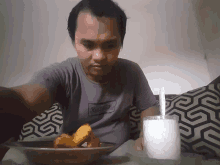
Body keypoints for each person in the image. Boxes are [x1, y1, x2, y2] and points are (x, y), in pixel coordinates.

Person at [0, 0, 159, 161]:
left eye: (110, 45)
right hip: (72, 154)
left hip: (120, 152)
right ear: (74, 42)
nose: (99, 57)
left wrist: (145, 136)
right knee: (16, 155)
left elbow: (149, 106)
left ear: (121, 42)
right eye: (88, 45)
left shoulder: (132, 71)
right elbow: (28, 98)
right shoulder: (63, 73)